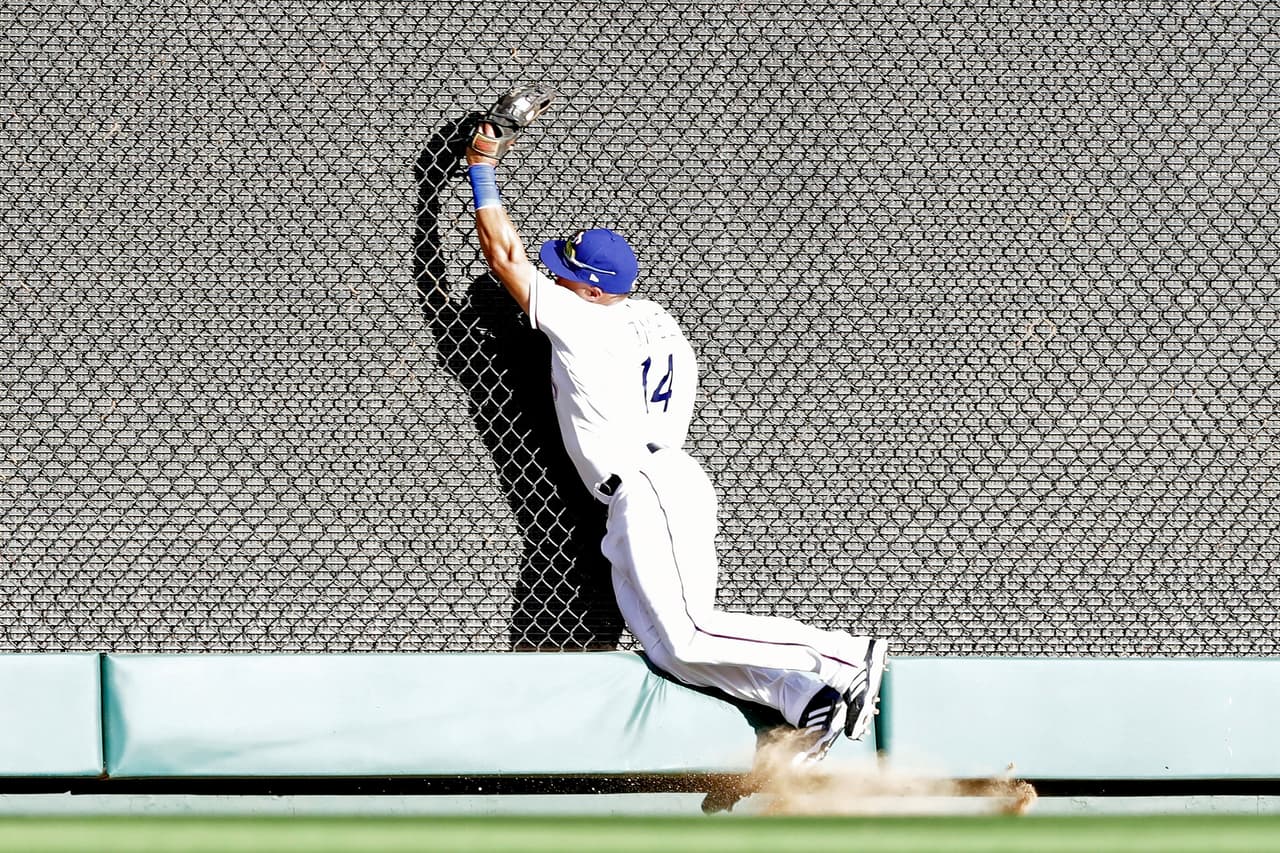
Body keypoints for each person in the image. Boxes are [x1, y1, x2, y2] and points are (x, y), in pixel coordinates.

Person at [462, 117, 888, 763]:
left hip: (650, 484)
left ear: (593, 287)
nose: (555, 278)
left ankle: (845, 656)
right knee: (671, 649)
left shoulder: (586, 323)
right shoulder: (652, 316)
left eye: (567, 273)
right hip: (658, 484)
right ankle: (806, 697)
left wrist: (482, 167)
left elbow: (504, 257)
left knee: (691, 630)